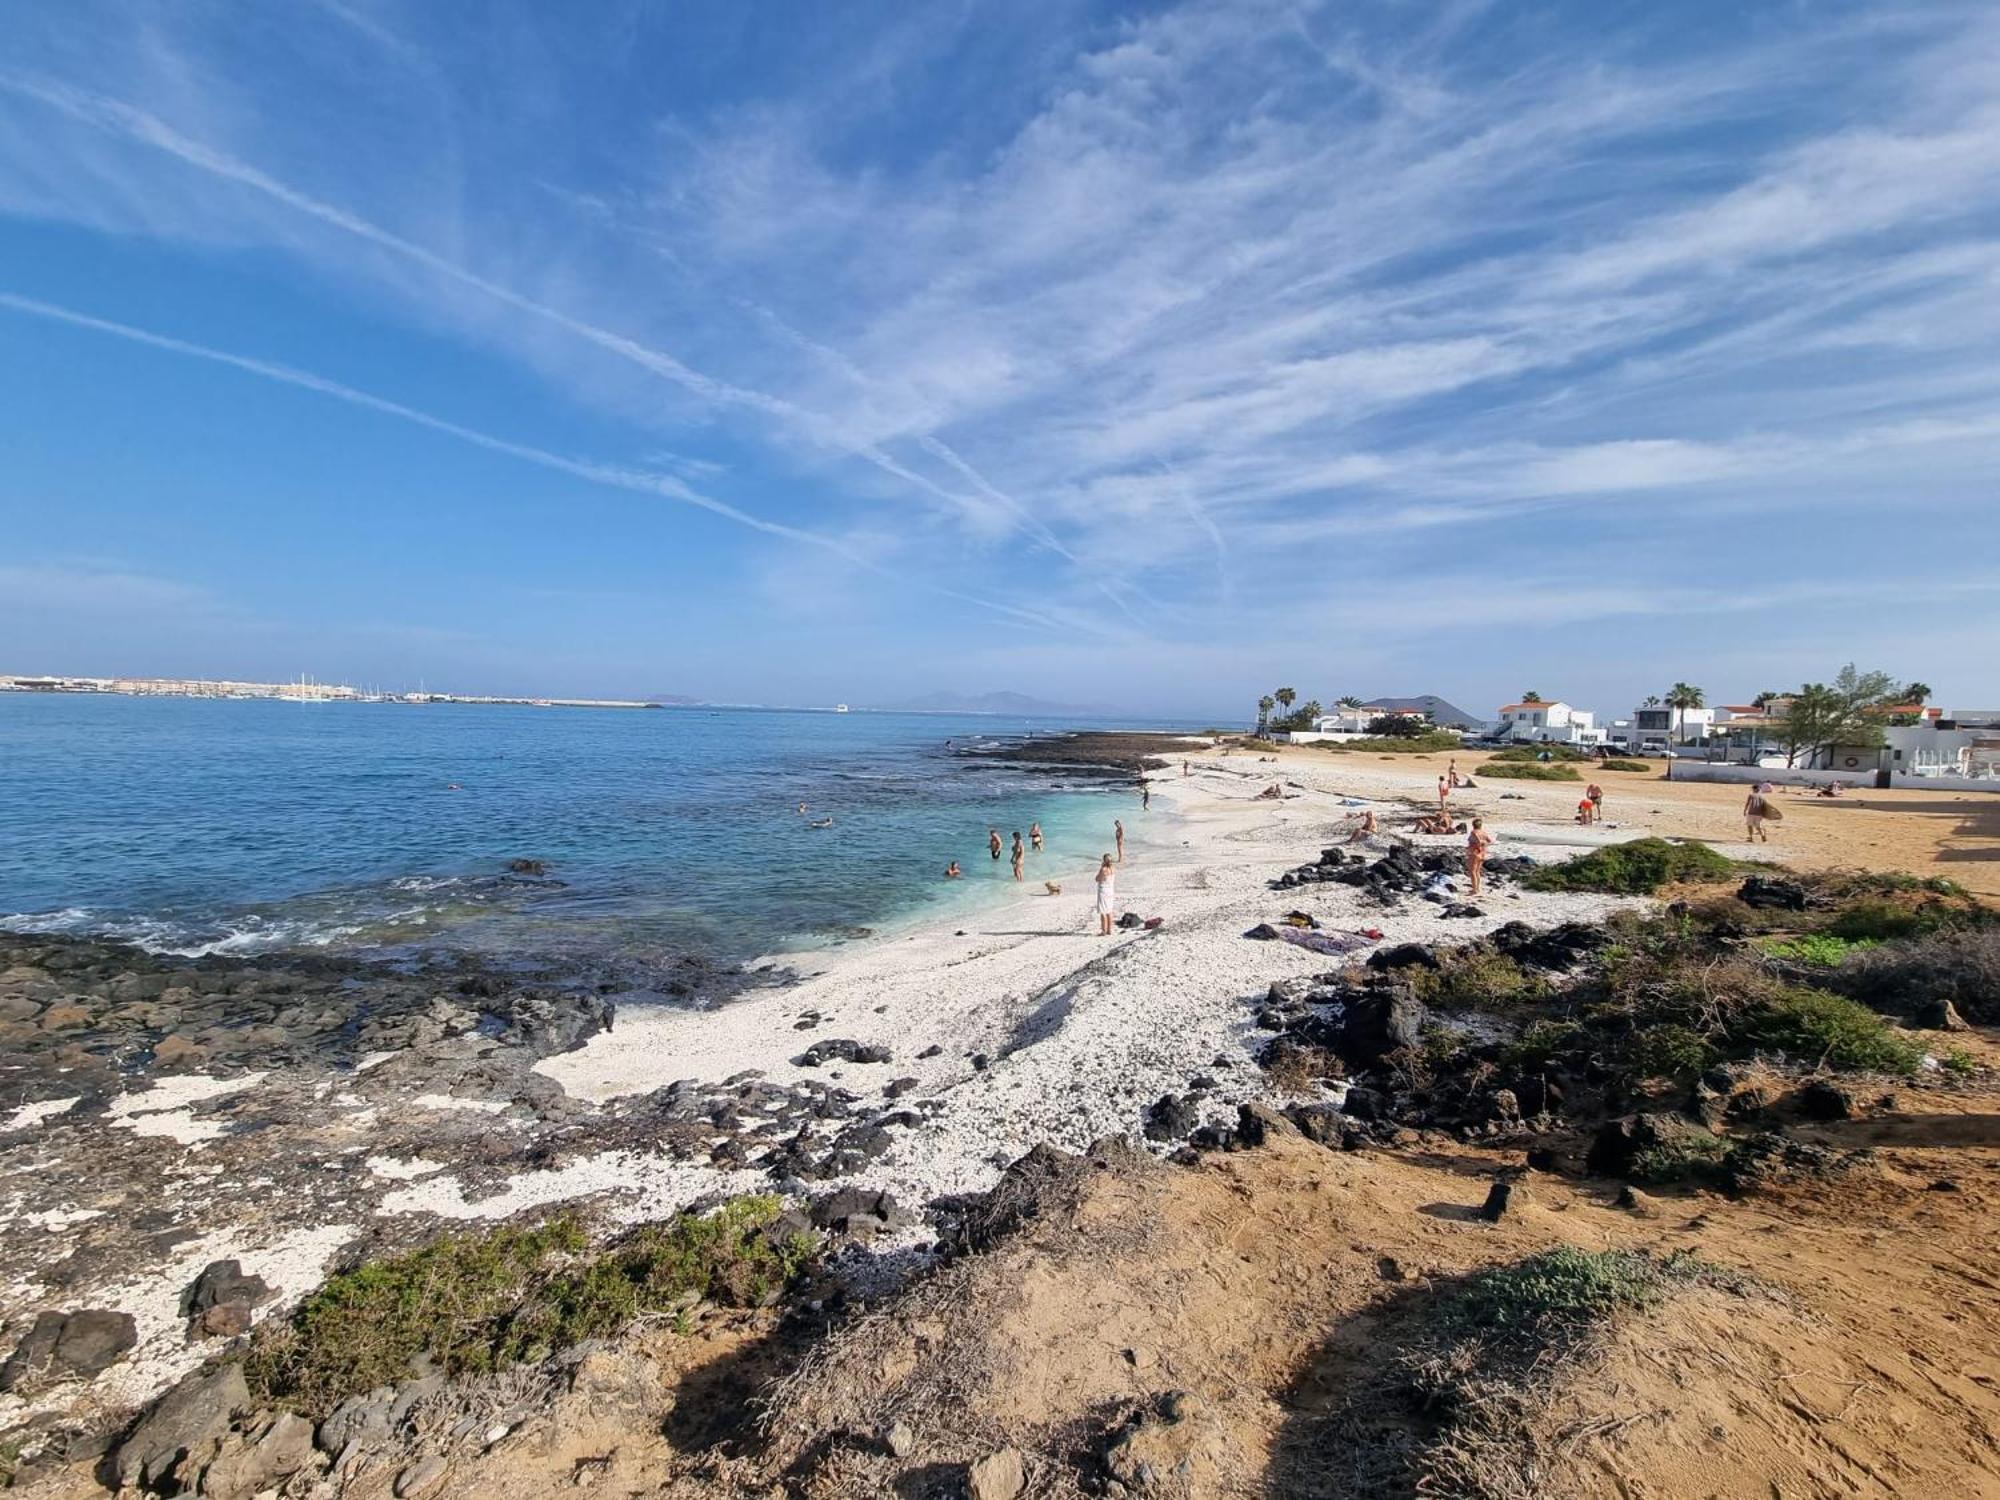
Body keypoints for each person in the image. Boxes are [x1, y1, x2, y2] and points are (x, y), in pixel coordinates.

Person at [1466, 817, 1494, 895]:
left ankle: (1474, 890)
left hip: (1475, 852)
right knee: (1477, 871)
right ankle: (1477, 888)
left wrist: (1475, 845)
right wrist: (1484, 844)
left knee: (1472, 871)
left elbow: (1478, 841)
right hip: (1483, 853)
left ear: (1473, 825)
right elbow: (1490, 841)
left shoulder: (1474, 832)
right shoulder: (1484, 833)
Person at [1094, 853, 1117, 935]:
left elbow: (1097, 879)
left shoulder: (1103, 869)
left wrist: (1101, 868)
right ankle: (1110, 930)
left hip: (1103, 891)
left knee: (1103, 912)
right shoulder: (1113, 869)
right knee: (1109, 911)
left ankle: (1104, 931)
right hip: (1111, 891)